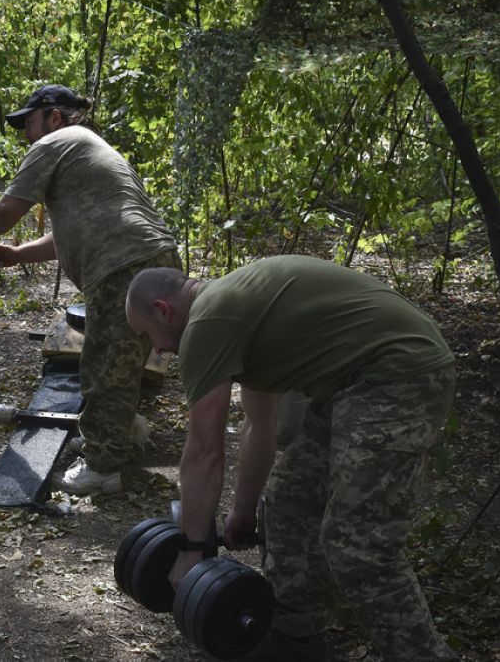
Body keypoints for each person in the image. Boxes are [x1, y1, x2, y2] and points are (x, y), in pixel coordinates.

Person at [125, 256, 457, 661]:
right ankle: (295, 638)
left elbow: (204, 451)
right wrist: (243, 513)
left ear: (163, 310)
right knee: (288, 503)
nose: (157, 349)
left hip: (399, 374)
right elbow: (258, 426)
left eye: (150, 335)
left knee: (358, 545)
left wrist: (193, 550)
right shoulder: (235, 309)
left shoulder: (208, 323)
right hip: (351, 384)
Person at [0, 84, 181, 496]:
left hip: (124, 267)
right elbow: (70, 236)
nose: (26, 133)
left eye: (29, 122)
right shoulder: (89, 149)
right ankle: (110, 436)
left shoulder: (55, 142)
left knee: (104, 367)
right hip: (154, 260)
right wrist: (16, 254)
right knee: (122, 362)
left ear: (54, 117)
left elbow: (13, 202)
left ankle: (103, 470)